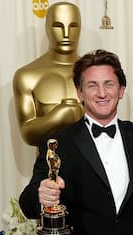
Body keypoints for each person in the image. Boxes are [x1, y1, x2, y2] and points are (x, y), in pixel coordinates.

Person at [19, 49, 133, 235]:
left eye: (109, 84)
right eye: (92, 85)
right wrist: (41, 195)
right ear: (79, 93)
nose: (102, 93)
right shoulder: (58, 143)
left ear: (121, 90)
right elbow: (27, 204)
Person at [13, 2, 84, 146]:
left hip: (94, 165)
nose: (66, 34)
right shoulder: (27, 76)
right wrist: (57, 117)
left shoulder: (96, 74)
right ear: (47, 28)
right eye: (58, 26)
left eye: (73, 26)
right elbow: (27, 134)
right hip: (48, 165)